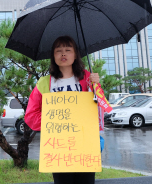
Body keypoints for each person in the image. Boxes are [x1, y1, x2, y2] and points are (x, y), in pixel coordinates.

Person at [25, 35, 105, 184]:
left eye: (68, 50)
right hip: (58, 149)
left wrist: (97, 86)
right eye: (58, 50)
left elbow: (99, 109)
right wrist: (54, 120)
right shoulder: (44, 83)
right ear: (53, 56)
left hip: (85, 146)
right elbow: (31, 116)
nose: (63, 53)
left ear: (75, 55)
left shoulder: (88, 78)